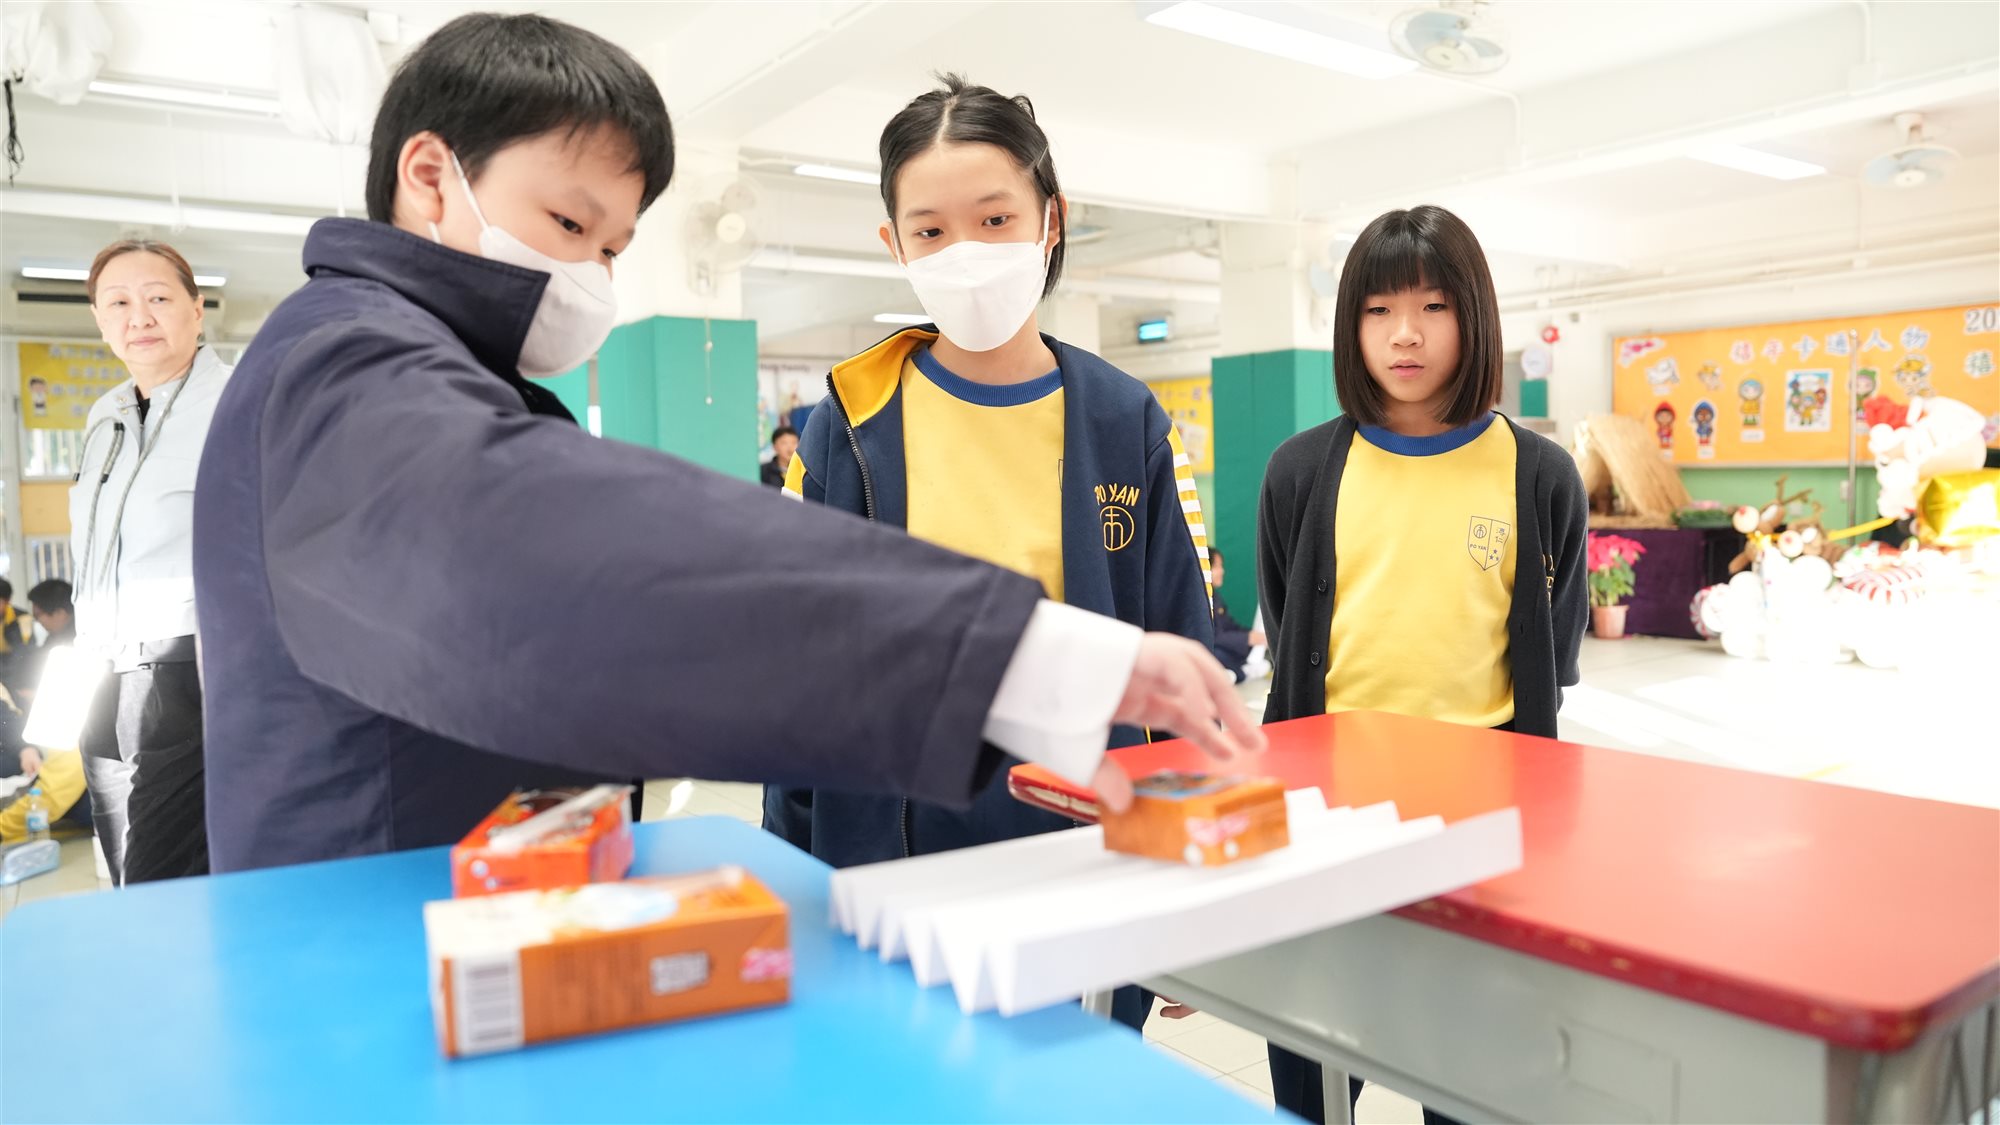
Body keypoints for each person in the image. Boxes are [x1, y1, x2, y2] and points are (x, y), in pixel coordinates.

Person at [191, 13, 1261, 877]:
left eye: (614, 248)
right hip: (378, 944)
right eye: (569, 227)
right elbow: (564, 561)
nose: (591, 277)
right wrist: (1016, 656)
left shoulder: (1119, 414)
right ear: (430, 176)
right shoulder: (344, 368)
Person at [761, 74, 1215, 1031]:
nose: (964, 252)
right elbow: (801, 669)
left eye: (995, 218)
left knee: (1076, 1079)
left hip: (1085, 841)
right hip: (894, 850)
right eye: (930, 230)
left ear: (1052, 220)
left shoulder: (1122, 419)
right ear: (893, 244)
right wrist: (790, 864)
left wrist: (1193, 880)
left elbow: (1179, 648)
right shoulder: (850, 424)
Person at [1255, 205, 1588, 1125]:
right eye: (1379, 310)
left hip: (1481, 822)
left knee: (1472, 1069)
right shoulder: (1300, 471)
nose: (1405, 333)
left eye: (1434, 306)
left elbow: (1549, 658)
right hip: (1329, 813)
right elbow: (1289, 636)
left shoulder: (1539, 474)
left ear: (1474, 315)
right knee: (1314, 1066)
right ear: (1350, 324)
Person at [68, 239, 233, 886]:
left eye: (159, 297)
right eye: (118, 303)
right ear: (100, 321)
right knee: (117, 866)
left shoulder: (238, 400)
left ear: (196, 308)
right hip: (100, 664)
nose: (139, 317)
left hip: (185, 664)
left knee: (159, 872)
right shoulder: (104, 414)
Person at [11, 579, 76, 709]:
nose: (38, 621)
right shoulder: (56, 636)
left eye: (38, 616)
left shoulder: (79, 640)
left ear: (60, 613)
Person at [1205, 547, 1264, 682]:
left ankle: (1237, 672)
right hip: (1211, 649)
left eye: (1221, 566)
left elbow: (1229, 625)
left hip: (1222, 648)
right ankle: (1239, 673)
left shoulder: (1216, 596)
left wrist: (1252, 635)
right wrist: (1247, 638)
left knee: (1244, 652)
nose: (1222, 571)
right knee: (1218, 655)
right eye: (1217, 566)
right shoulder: (1202, 598)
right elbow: (1215, 636)